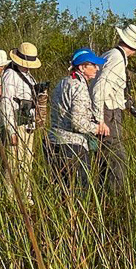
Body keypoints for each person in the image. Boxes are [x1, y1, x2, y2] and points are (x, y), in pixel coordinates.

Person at [91, 24, 136, 190]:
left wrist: (125, 104)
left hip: (110, 110)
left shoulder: (111, 54)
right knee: (117, 159)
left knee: (106, 158)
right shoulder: (116, 58)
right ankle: (114, 197)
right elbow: (99, 88)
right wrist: (100, 119)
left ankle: (105, 195)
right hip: (108, 113)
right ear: (135, 46)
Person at [47, 49, 111, 188]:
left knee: (60, 190)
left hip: (54, 142)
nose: (97, 68)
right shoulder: (79, 86)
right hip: (73, 146)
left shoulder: (62, 82)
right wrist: (98, 128)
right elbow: (77, 124)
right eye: (93, 65)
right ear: (82, 67)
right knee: (79, 191)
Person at [0, 42, 43, 205]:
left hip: (27, 124)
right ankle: (10, 199)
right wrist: (10, 130)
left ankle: (25, 195)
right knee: (13, 164)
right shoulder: (10, 74)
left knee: (26, 163)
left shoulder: (29, 76)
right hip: (16, 124)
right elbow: (6, 103)